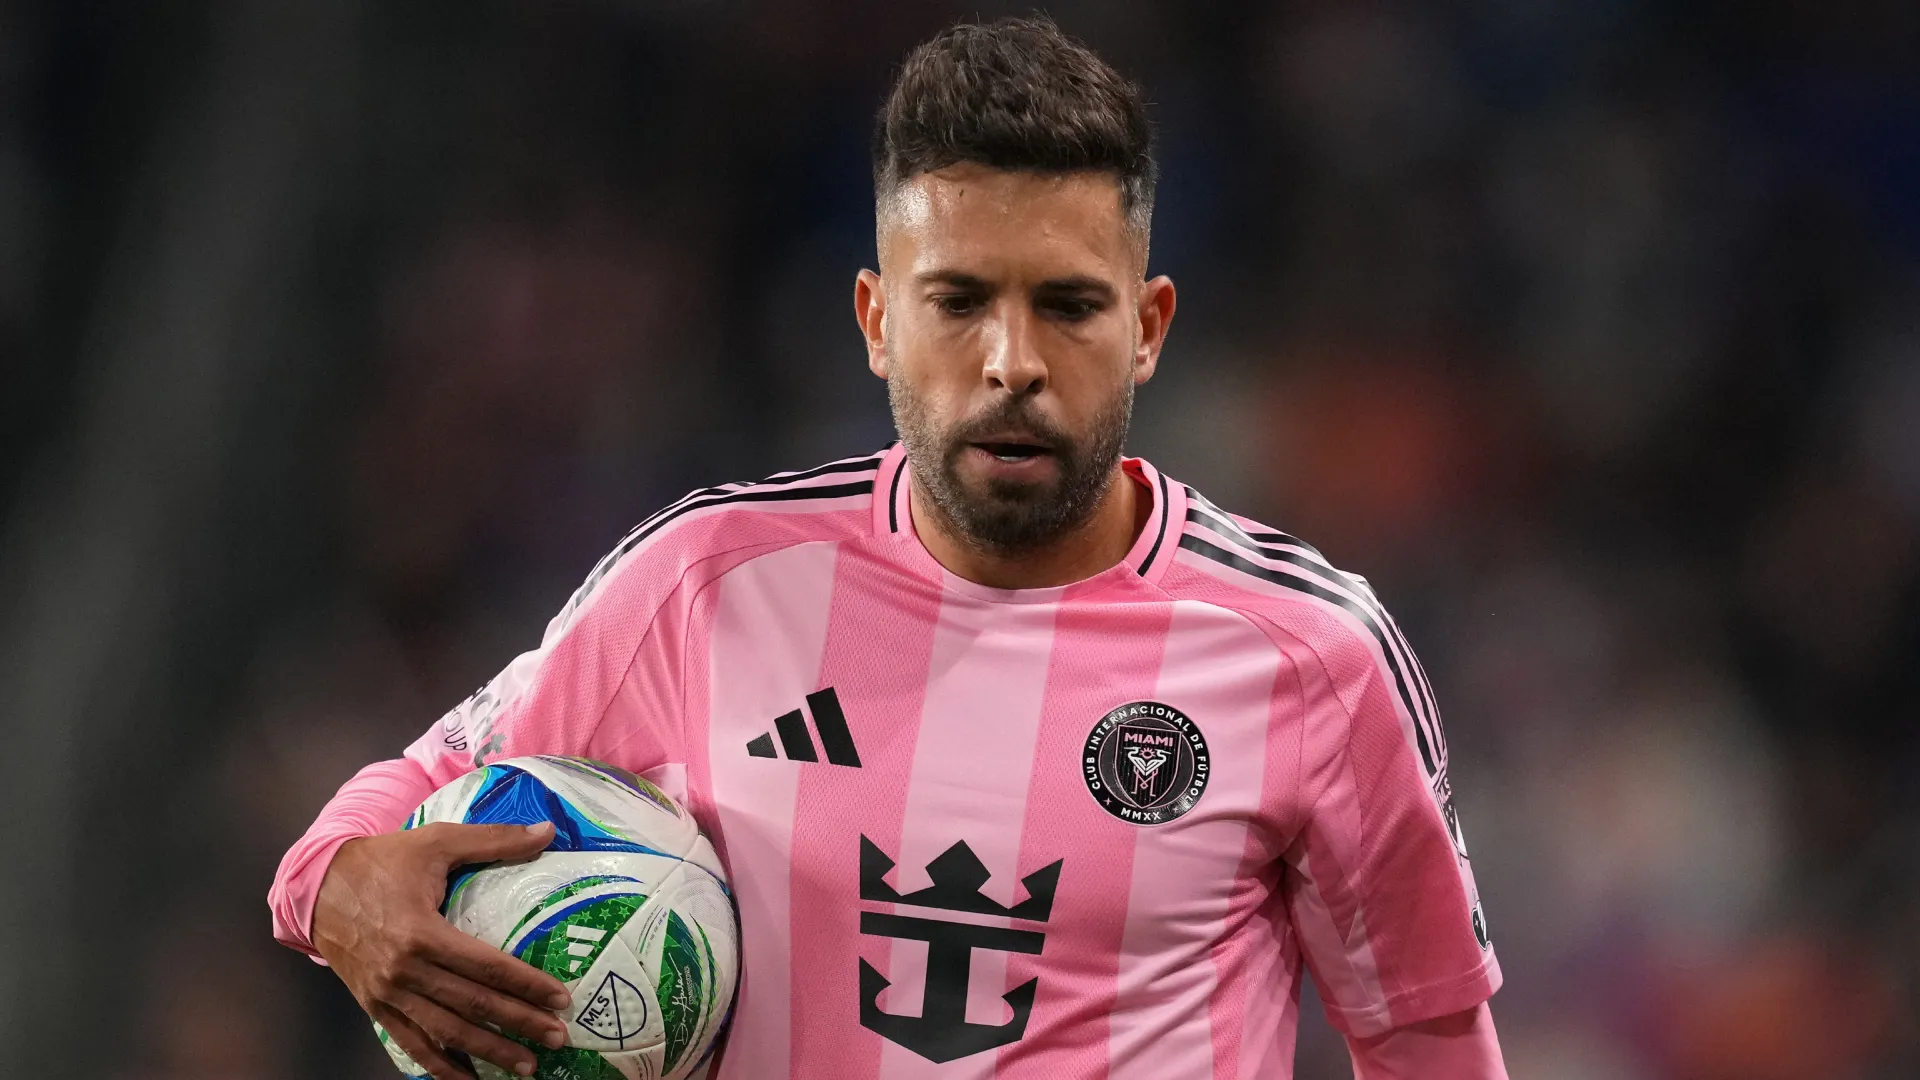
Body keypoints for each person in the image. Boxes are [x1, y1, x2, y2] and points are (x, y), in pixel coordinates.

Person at [270, 16, 1506, 1079]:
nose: (1012, 362)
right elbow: (387, 812)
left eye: (1067, 306)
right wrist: (340, 893)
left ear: (1148, 326)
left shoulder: (1311, 655)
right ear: (876, 320)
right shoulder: (707, 586)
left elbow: (1430, 1041)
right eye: (958, 301)